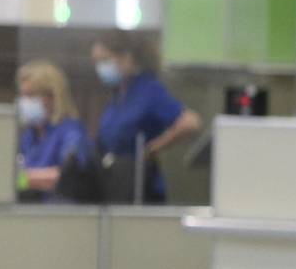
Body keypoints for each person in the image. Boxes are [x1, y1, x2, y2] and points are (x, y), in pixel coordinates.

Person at [91, 33, 201, 204]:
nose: (100, 67)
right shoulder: (118, 94)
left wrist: (153, 148)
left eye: (105, 60)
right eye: (97, 62)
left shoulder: (148, 90)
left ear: (126, 58)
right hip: (114, 186)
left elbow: (190, 123)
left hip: (142, 190)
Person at [15, 60, 93, 202]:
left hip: (62, 214)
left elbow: (65, 177)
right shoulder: (29, 135)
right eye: (23, 95)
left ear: (53, 96)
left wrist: (21, 179)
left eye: (31, 95)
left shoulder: (71, 131)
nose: (25, 102)